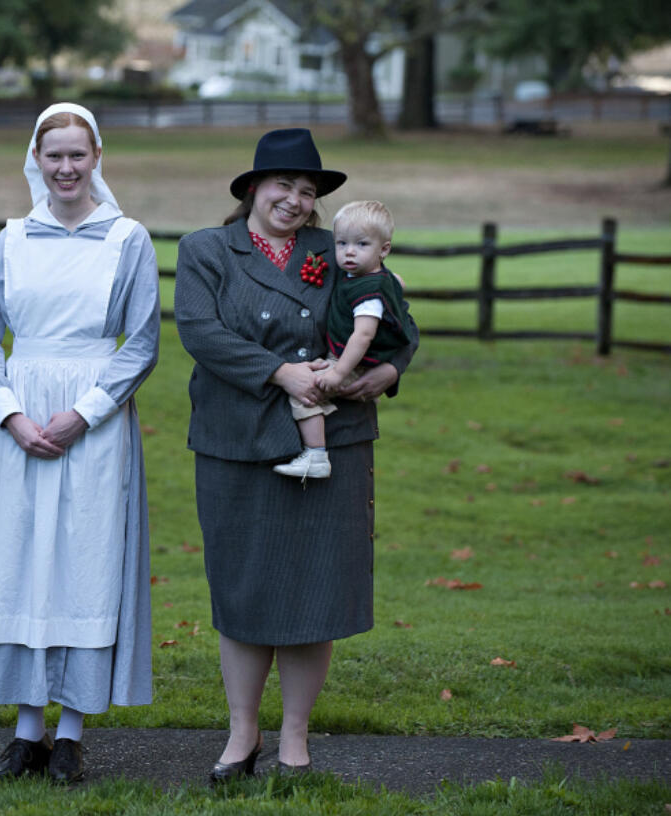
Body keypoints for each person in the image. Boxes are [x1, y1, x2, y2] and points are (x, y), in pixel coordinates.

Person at [173, 128, 418, 781]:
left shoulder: (337, 249)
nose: (293, 198)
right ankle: (241, 736)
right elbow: (201, 332)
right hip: (238, 440)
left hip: (332, 443)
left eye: (307, 190)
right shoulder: (206, 249)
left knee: (316, 595)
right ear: (253, 187)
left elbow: (394, 315)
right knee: (244, 592)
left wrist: (387, 373)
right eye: (282, 184)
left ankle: (296, 742)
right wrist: (281, 373)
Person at [0, 103, 160, 784]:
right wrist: (10, 415)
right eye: (53, 155)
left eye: (77, 154)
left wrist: (86, 412)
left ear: (97, 156)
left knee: (82, 563)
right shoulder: (13, 238)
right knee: (21, 562)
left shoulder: (127, 240)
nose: (65, 167)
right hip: (22, 422)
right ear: (35, 160)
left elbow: (142, 343)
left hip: (91, 426)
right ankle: (25, 730)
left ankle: (70, 733)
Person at [272, 200, 415, 479]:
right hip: (354, 361)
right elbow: (396, 282)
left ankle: (316, 456)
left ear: (384, 249)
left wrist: (338, 372)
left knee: (305, 392)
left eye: (361, 245)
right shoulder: (374, 276)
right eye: (341, 243)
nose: (349, 252)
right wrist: (396, 282)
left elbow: (363, 335)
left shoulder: (367, 295)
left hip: (352, 362)